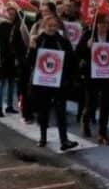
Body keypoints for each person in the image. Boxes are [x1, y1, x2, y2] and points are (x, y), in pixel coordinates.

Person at [27, 15, 79, 152]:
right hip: (42, 83)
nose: (51, 28)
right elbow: (29, 62)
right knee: (43, 111)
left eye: (54, 25)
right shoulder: (38, 40)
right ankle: (43, 138)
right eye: (49, 25)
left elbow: (72, 61)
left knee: (61, 112)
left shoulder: (63, 42)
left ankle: (64, 140)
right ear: (44, 26)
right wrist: (32, 48)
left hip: (59, 83)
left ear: (58, 27)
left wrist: (68, 76)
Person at [77, 14, 109, 145]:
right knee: (91, 104)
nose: (104, 26)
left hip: (107, 75)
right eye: (101, 23)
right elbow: (78, 52)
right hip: (92, 75)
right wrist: (86, 47)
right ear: (96, 24)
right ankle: (85, 120)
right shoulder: (89, 34)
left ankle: (102, 133)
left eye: (107, 23)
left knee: (106, 104)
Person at [0, 7, 20, 118]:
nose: (11, 16)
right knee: (0, 84)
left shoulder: (18, 27)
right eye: (9, 13)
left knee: (11, 84)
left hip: (12, 59)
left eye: (13, 14)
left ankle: (9, 106)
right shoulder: (0, 26)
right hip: (1, 58)